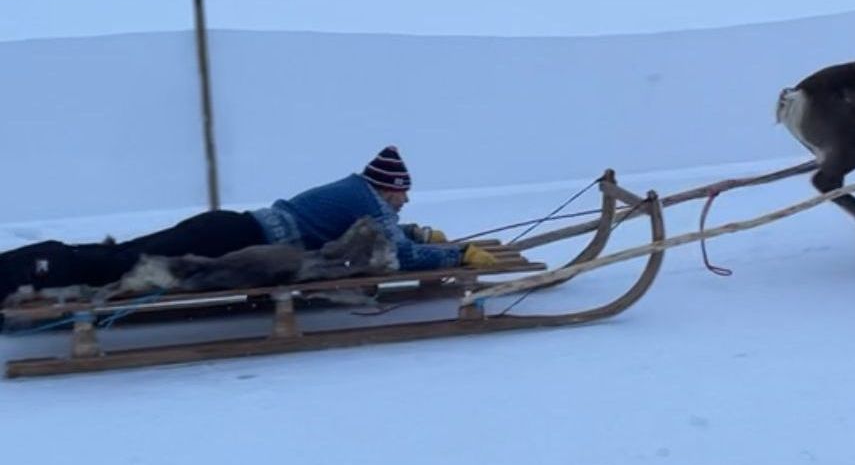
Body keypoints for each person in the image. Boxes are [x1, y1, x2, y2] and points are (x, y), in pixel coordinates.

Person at [0, 146, 498, 304]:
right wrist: (457, 255)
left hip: (230, 229)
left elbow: (381, 235)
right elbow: (397, 255)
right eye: (403, 193)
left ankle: (30, 271)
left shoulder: (358, 195)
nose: (406, 200)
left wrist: (420, 234)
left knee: (122, 257)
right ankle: (23, 272)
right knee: (122, 264)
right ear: (388, 187)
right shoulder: (365, 198)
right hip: (234, 240)